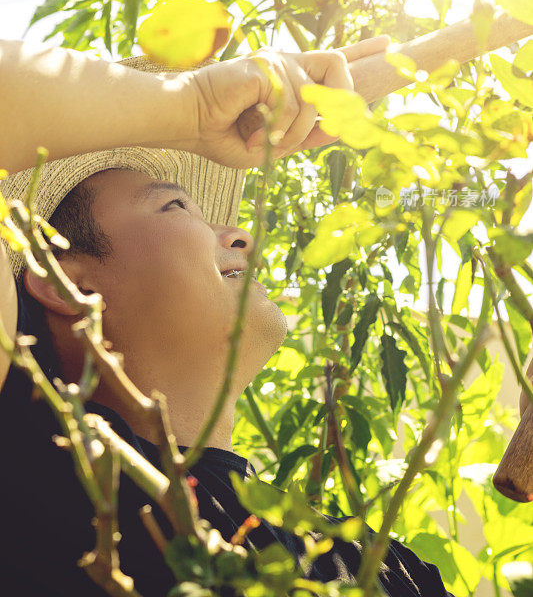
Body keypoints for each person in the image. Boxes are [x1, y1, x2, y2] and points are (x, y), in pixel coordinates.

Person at [0, 35, 459, 597]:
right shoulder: (32, 455)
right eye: (174, 204)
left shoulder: (386, 570)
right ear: (65, 282)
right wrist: (190, 107)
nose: (240, 234)